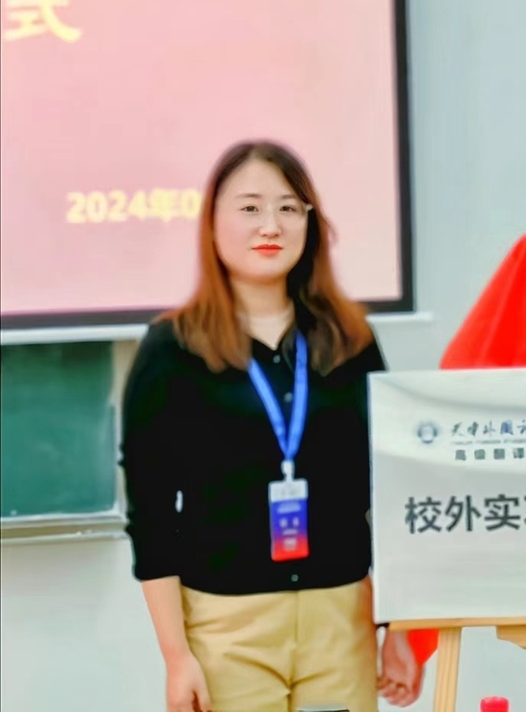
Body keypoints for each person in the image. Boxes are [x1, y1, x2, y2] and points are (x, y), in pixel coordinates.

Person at [121, 141, 423, 712]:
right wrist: (177, 657)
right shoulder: (174, 348)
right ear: (212, 222)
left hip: (342, 617)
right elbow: (151, 514)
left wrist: (397, 626)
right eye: (250, 207)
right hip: (227, 626)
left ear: (310, 223)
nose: (271, 226)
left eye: (288, 208)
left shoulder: (351, 341)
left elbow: (387, 492)